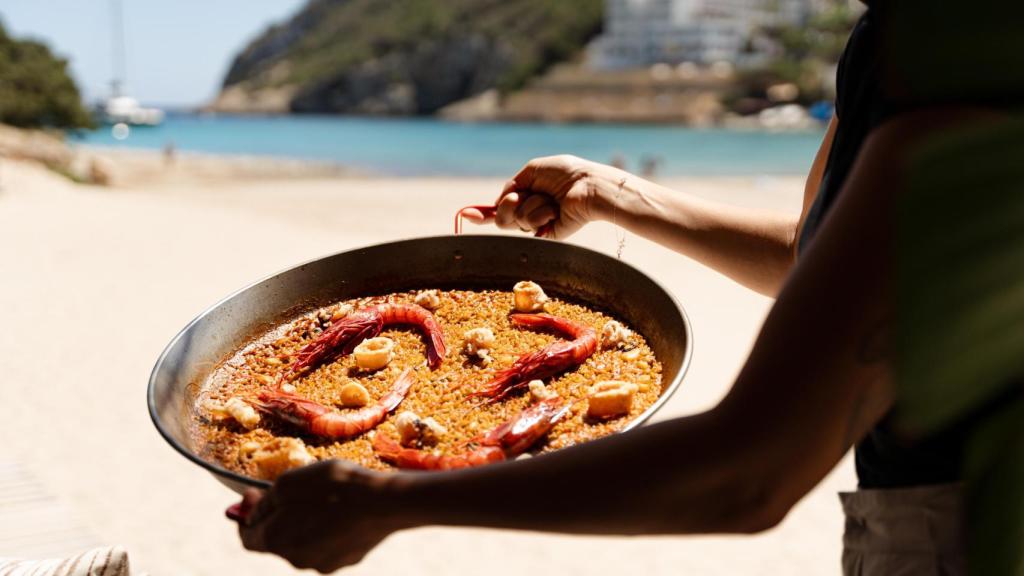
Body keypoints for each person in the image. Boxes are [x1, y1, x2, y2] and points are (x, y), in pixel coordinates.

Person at [233, 3, 998, 573]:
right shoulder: (892, 40)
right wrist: (613, 194)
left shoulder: (973, 65)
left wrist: (387, 502)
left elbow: (750, 477)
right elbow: (822, 259)